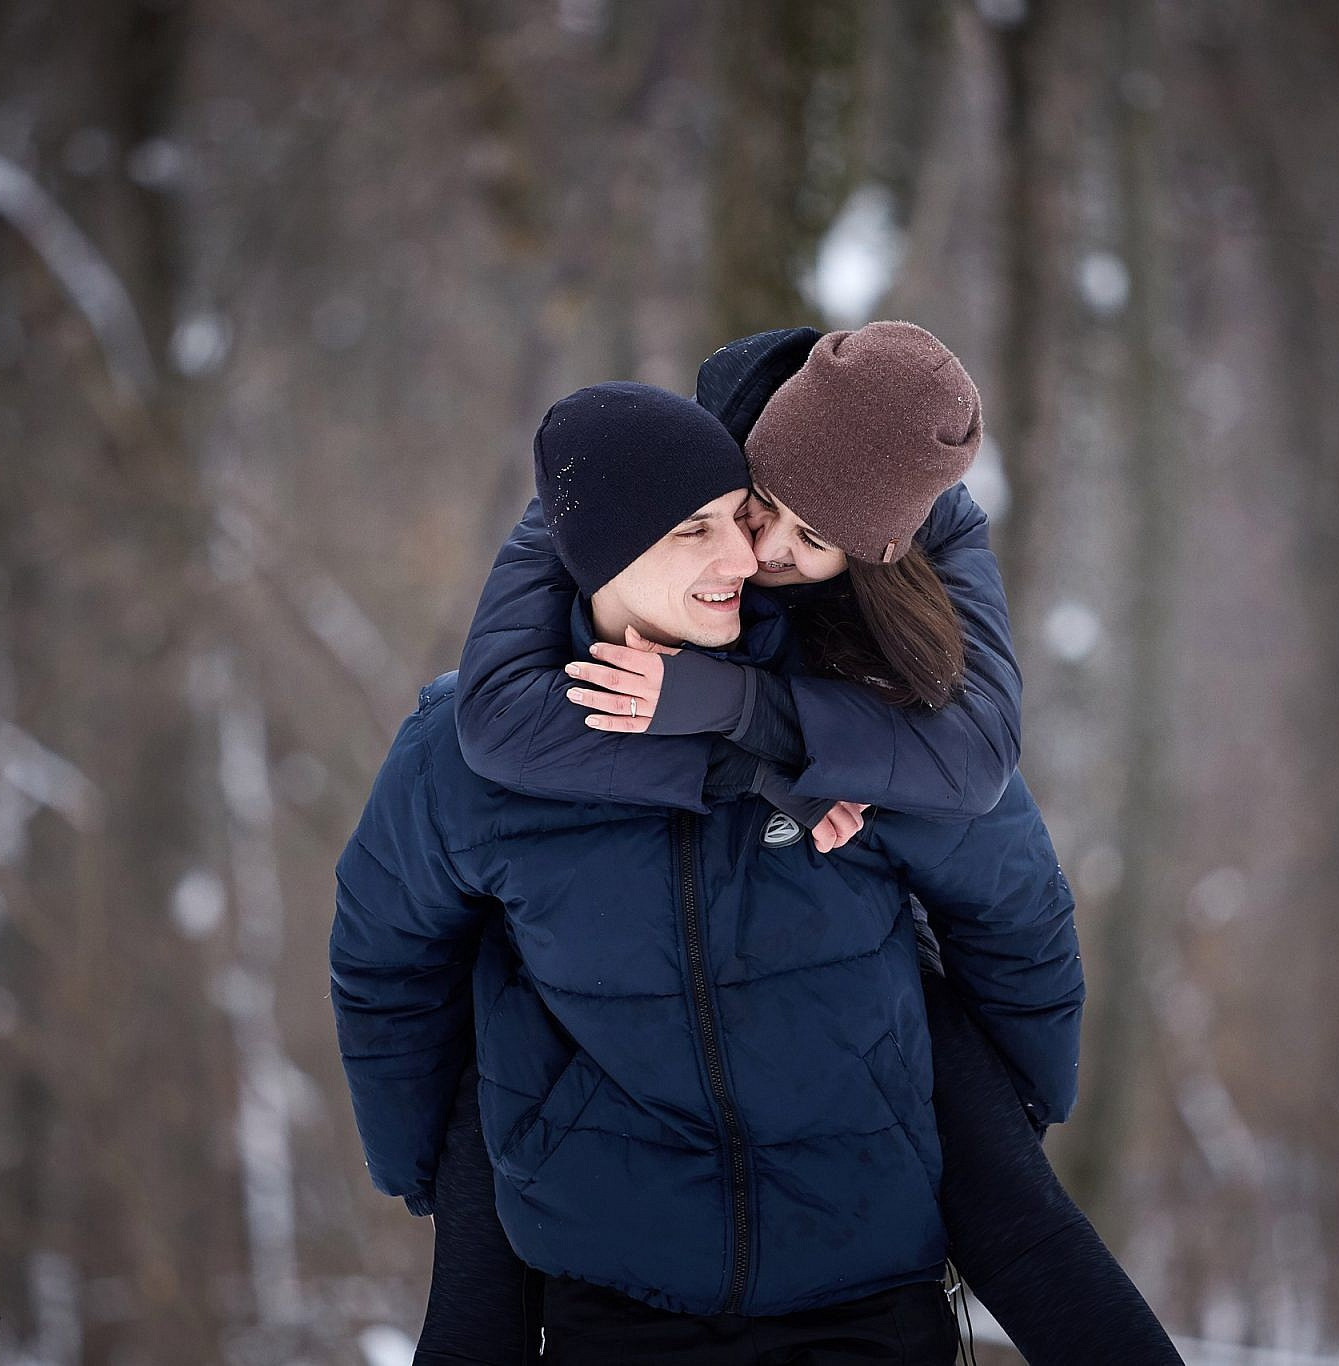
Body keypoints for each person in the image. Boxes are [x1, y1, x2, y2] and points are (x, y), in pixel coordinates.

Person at [422, 323, 1184, 1364]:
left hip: (855, 971)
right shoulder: (645, 469)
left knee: (1031, 1231)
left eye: (815, 540)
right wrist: (750, 767)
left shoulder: (926, 524)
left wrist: (746, 714)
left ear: (882, 548)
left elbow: (981, 790)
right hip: (606, 1025)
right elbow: (498, 720)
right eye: (760, 507)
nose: (764, 553)